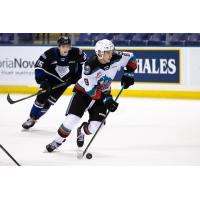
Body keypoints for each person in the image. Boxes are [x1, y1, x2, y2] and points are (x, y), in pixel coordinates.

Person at [46, 39, 137, 152]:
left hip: (103, 95)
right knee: (72, 120)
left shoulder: (117, 56)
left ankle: (82, 132)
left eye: (111, 51)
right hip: (84, 93)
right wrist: (107, 99)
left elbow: (131, 57)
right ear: (100, 53)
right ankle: (57, 141)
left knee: (96, 127)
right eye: (107, 52)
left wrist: (129, 73)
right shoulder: (89, 66)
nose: (111, 54)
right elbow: (90, 89)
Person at [22, 36, 87, 129]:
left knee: (49, 102)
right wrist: (43, 81)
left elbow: (83, 62)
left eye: (67, 46)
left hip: (64, 82)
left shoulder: (77, 52)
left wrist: (78, 75)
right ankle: (31, 118)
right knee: (41, 98)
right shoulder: (50, 53)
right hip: (49, 79)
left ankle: (36, 118)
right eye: (63, 46)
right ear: (59, 46)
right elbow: (38, 67)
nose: (65, 49)